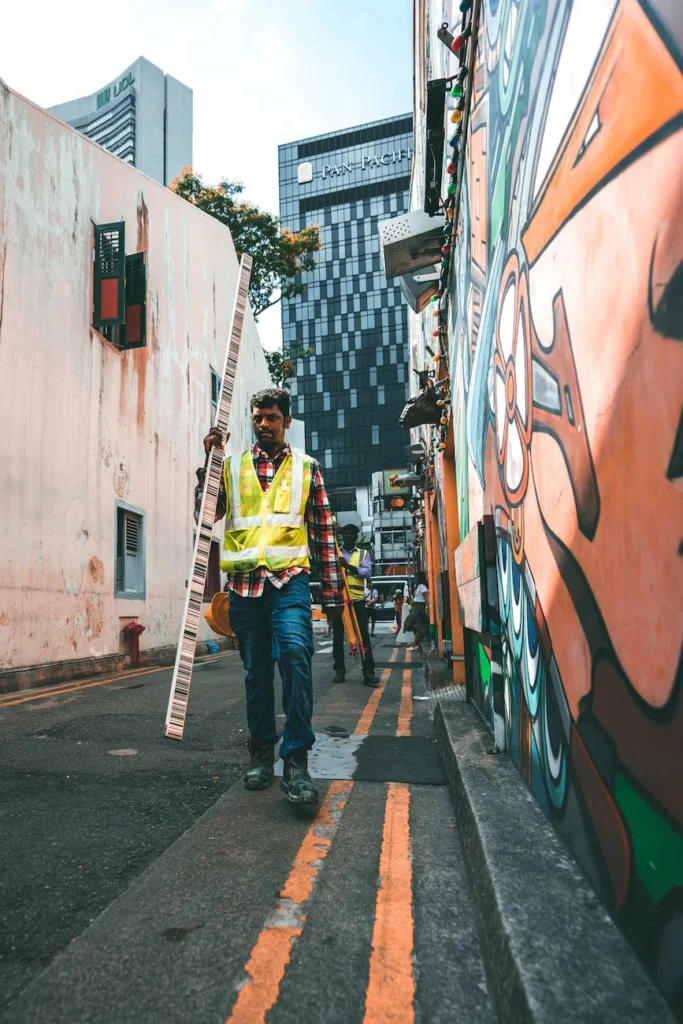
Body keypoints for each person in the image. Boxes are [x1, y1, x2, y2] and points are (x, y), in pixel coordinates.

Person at [200, 387, 343, 806]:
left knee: (296, 656)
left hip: (289, 582)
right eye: (258, 417)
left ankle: (296, 760)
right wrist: (206, 466)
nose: (263, 424)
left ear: (286, 423)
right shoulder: (230, 467)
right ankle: (261, 754)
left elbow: (323, 530)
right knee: (256, 673)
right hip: (244, 589)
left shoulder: (306, 468)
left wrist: (332, 594)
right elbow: (205, 513)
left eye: (272, 418)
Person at [332, 524, 380, 687]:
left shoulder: (363, 554)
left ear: (356, 536)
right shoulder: (335, 553)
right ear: (342, 536)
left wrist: (348, 566)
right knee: (338, 637)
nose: (349, 536)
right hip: (339, 600)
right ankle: (339, 670)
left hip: (358, 600)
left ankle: (368, 672)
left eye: (352, 533)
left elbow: (366, 573)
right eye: (346, 533)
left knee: (363, 636)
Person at [407, 571, 429, 651]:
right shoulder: (419, 586)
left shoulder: (422, 586)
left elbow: (427, 597)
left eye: (416, 577)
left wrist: (426, 607)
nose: (415, 579)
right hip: (416, 606)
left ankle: (415, 644)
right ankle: (416, 642)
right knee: (412, 623)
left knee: (419, 625)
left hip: (420, 606)